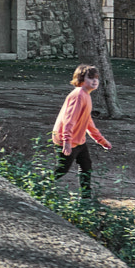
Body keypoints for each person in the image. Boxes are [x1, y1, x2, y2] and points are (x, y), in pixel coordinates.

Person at [52, 64, 111, 197]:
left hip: (78, 140)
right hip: (67, 141)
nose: (95, 81)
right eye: (90, 78)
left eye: (96, 78)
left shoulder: (86, 95)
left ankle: (86, 197)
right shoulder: (78, 95)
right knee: (62, 170)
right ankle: (36, 186)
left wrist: (101, 140)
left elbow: (88, 122)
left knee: (86, 166)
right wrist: (67, 141)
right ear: (80, 79)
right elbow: (69, 119)